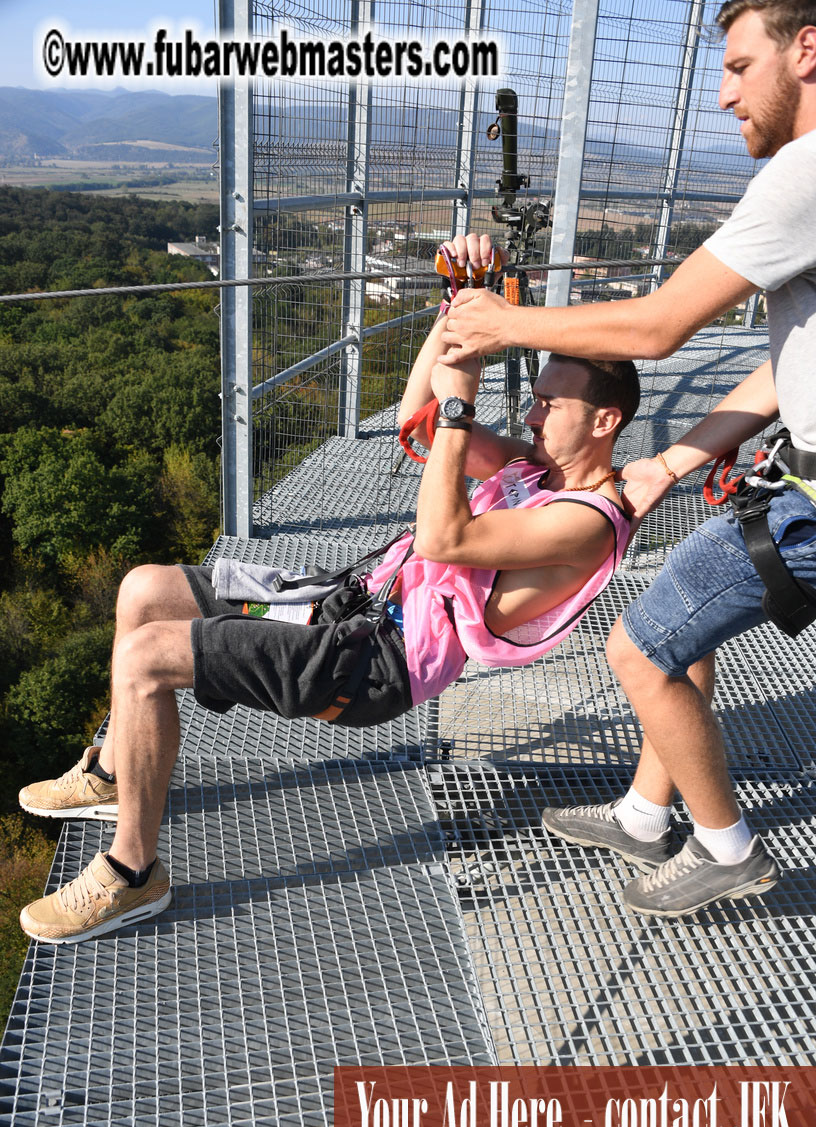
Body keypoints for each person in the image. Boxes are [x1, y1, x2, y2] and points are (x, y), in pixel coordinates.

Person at [18, 233, 638, 945]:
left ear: (604, 421)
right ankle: (112, 774)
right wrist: (457, 313)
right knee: (143, 591)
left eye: (549, 405)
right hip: (350, 604)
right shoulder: (533, 469)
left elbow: (442, 538)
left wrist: (461, 410)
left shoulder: (585, 523)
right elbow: (417, 425)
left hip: (375, 662)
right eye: (534, 401)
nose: (530, 416)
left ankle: (133, 873)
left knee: (144, 658)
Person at [443, 0, 816, 917]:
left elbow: (655, 328)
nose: (723, 95)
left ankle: (727, 848)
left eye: (739, 67)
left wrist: (504, 323)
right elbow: (788, 365)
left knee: (642, 645)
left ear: (807, 50)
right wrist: (669, 463)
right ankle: (648, 814)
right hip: (801, 478)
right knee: (684, 625)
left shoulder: (806, 171)